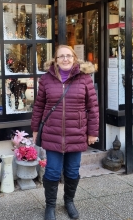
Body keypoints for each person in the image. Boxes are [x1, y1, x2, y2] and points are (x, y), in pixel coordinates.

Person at [31, 45, 99, 220]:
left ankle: (69, 201)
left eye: (69, 56)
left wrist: (93, 132)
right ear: (55, 60)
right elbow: (39, 106)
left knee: (72, 171)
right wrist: (34, 129)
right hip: (52, 133)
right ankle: (50, 206)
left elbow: (93, 108)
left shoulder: (84, 79)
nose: (65, 59)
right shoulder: (46, 79)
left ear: (75, 58)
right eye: (61, 56)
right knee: (52, 172)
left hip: (76, 133)